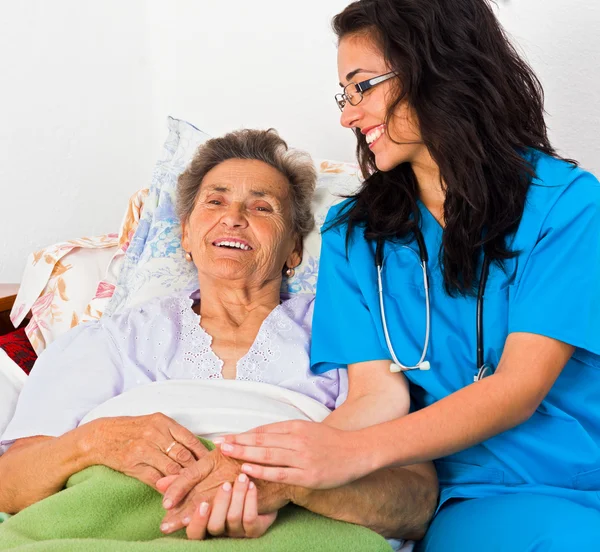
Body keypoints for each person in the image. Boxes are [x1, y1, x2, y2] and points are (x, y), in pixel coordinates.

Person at [214, 1, 600, 550]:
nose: (348, 115)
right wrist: (269, 472)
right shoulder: (355, 233)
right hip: (477, 496)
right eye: (343, 95)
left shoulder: (567, 206)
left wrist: (350, 455)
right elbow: (377, 396)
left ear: (437, 68)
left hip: (585, 477)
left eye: (362, 86)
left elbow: (517, 389)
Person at [0, 129, 437, 543]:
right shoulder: (109, 341)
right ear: (186, 235)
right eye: (215, 202)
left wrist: (290, 482)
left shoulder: (352, 337)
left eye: (263, 208)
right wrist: (93, 443)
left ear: (294, 250)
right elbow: (10, 484)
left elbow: (416, 502)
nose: (234, 217)